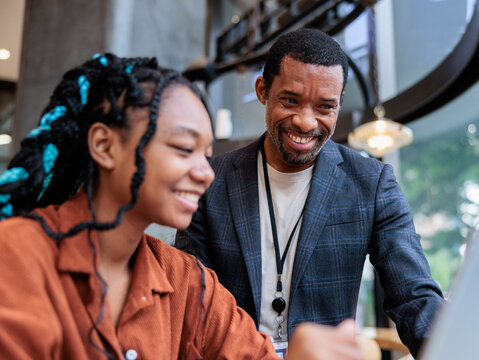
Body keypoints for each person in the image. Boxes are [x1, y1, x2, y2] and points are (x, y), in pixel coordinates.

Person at [0, 53, 365, 360]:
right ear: (105, 145)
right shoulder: (17, 256)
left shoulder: (186, 280)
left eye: (207, 155)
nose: (206, 174)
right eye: (183, 149)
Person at [175, 28, 444, 357]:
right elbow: (192, 304)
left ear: (339, 105)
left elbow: (415, 298)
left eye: (324, 107)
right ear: (263, 91)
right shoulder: (209, 181)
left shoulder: (372, 184)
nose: (305, 122)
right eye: (290, 100)